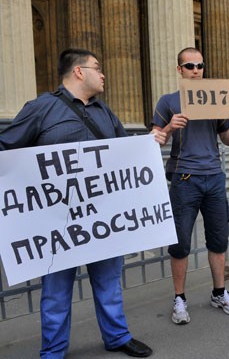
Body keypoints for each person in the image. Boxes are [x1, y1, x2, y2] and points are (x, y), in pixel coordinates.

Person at [0, 48, 164, 357]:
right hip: (57, 222)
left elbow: (124, 154)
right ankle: (53, 351)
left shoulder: (105, 111)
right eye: (97, 68)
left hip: (100, 217)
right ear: (79, 72)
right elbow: (6, 148)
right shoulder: (41, 108)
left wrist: (148, 143)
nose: (103, 74)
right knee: (56, 292)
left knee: (109, 282)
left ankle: (117, 337)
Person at [152, 47, 229, 325]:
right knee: (179, 243)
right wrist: (168, 128)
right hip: (184, 178)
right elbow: (155, 139)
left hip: (214, 176)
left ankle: (219, 292)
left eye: (200, 65)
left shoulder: (215, 99)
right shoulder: (168, 101)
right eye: (189, 66)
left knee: (218, 239)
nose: (196, 70)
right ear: (179, 70)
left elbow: (227, 139)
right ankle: (179, 298)